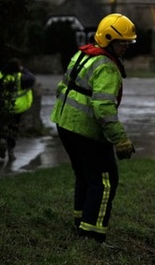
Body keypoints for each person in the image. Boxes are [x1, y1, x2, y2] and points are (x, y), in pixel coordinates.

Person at [51, 13, 137, 243]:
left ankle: (80, 224)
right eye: (123, 42)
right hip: (86, 132)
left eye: (129, 41)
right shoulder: (107, 67)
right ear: (109, 39)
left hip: (64, 126)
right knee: (105, 181)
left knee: (85, 177)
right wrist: (120, 139)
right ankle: (93, 235)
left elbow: (61, 88)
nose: (127, 46)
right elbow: (103, 108)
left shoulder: (83, 54)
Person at [0, 58, 36, 160]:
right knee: (13, 128)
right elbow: (32, 79)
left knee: (2, 126)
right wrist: (23, 70)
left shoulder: (1, 76)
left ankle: (1, 140)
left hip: (3, 107)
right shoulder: (21, 78)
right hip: (17, 108)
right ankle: (11, 151)